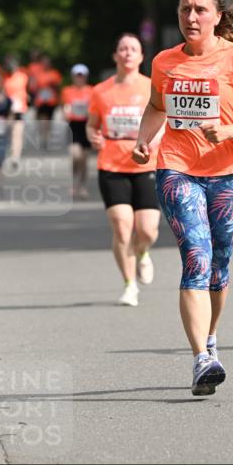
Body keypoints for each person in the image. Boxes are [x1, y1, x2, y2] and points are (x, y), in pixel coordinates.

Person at [132, 0, 233, 396]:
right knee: (195, 256)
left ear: (216, 15)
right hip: (177, 169)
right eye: (184, 9)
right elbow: (157, 106)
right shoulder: (163, 61)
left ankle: (210, 338)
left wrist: (227, 132)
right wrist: (143, 139)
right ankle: (200, 358)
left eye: (200, 9)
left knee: (219, 265)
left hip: (229, 174)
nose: (191, 16)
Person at [88, 34, 162, 306]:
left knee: (148, 231)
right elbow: (92, 124)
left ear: (141, 57)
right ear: (115, 56)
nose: (128, 53)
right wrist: (93, 136)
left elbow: (162, 121)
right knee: (122, 227)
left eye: (133, 49)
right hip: (112, 163)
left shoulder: (152, 87)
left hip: (146, 163)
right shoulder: (101, 91)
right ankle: (129, 284)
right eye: (123, 48)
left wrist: (153, 140)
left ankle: (142, 252)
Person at [62, 64, 93, 199]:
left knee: (84, 159)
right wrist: (66, 112)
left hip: (86, 126)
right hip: (73, 125)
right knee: (75, 156)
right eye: (77, 76)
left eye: (82, 76)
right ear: (73, 77)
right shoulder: (67, 91)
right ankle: (73, 183)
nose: (79, 78)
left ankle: (82, 186)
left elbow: (95, 109)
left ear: (85, 77)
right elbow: (65, 107)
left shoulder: (92, 91)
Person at [30, 54, 62, 149]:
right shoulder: (37, 74)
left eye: (47, 62)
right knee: (42, 119)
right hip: (40, 101)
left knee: (48, 120)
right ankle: (43, 137)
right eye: (44, 62)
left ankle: (46, 137)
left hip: (51, 101)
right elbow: (33, 88)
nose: (46, 64)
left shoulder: (54, 73)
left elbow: (58, 88)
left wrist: (59, 99)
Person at [3, 56, 28, 165]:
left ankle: (15, 156)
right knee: (6, 133)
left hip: (19, 109)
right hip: (6, 110)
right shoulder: (3, 78)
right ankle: (5, 153)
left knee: (17, 132)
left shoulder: (23, 77)